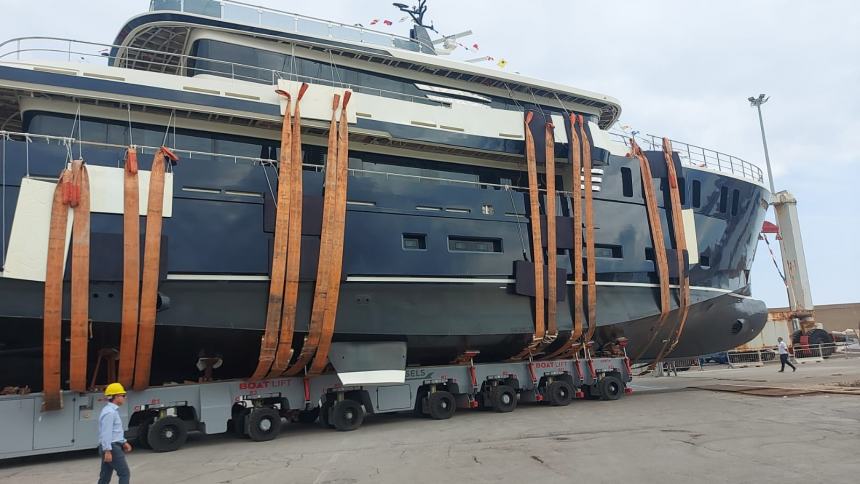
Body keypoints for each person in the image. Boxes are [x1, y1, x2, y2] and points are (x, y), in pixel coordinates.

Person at [98, 382, 132, 484]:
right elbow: (106, 432)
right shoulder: (110, 412)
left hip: (111, 446)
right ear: (116, 396)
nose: (124, 398)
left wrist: (123, 442)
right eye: (123, 395)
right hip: (112, 448)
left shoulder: (111, 410)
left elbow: (115, 431)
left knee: (105, 475)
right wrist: (108, 450)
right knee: (124, 473)